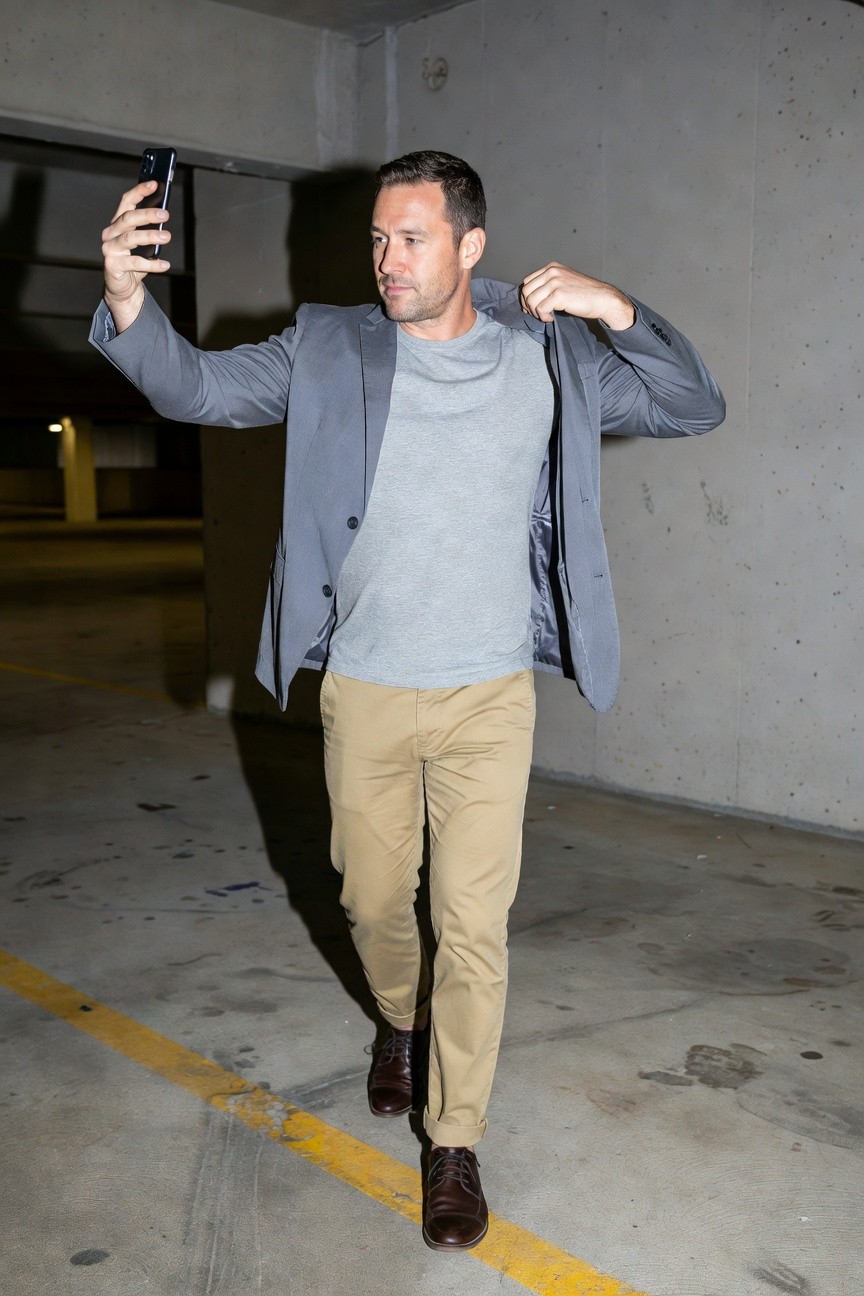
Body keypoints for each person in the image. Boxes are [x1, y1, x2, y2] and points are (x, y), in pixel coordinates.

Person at [92, 149, 725, 1251]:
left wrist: (616, 307)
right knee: (374, 901)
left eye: (413, 238)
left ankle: (457, 1142)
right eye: (378, 240)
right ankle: (398, 1018)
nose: (388, 260)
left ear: (472, 245)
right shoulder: (333, 347)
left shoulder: (549, 354)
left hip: (489, 694)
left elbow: (693, 402)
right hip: (369, 689)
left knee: (471, 927)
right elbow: (198, 387)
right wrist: (125, 299)